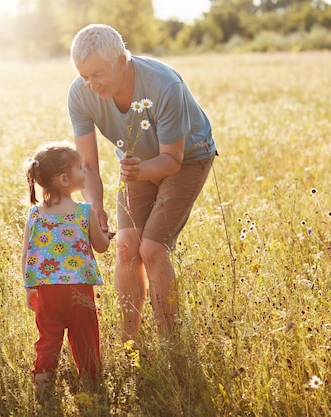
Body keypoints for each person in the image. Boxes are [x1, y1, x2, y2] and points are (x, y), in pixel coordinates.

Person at [68, 24, 217, 341]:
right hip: (135, 162)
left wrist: (138, 170)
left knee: (152, 248)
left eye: (98, 74)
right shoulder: (79, 94)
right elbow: (88, 165)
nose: (91, 84)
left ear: (121, 61)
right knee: (125, 246)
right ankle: (129, 342)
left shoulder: (164, 85)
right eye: (84, 76)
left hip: (187, 158)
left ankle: (168, 340)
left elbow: (172, 161)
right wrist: (96, 207)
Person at [21, 142, 112, 397]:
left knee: (48, 339)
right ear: (64, 179)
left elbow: (27, 253)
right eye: (80, 168)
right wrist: (105, 234)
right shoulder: (84, 212)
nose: (85, 172)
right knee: (85, 337)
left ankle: (42, 389)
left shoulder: (35, 215)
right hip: (78, 290)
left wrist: (30, 287)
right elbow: (101, 247)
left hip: (47, 291)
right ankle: (92, 387)